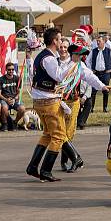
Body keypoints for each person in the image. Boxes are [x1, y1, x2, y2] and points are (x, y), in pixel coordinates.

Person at [26, 28, 89, 182]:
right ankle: (46, 170)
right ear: (54, 41)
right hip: (49, 101)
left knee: (48, 134)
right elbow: (59, 76)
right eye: (60, 39)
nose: (61, 42)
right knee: (59, 136)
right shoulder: (49, 58)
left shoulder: (44, 56)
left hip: (42, 100)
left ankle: (33, 166)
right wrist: (73, 62)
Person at [59, 41, 110, 172]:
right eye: (79, 54)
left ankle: (66, 161)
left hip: (73, 101)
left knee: (68, 133)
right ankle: (71, 159)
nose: (81, 57)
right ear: (73, 54)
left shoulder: (81, 67)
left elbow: (91, 77)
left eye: (82, 55)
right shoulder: (63, 65)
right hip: (59, 101)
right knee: (59, 132)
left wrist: (102, 86)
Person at [87, 35, 111, 114]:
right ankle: (91, 108)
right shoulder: (93, 51)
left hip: (105, 73)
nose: (98, 43)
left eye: (99, 41)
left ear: (104, 42)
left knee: (105, 91)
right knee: (93, 91)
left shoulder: (109, 51)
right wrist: (91, 69)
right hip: (96, 73)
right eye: (97, 41)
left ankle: (105, 108)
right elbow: (88, 60)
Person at [0, 63, 25, 131]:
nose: (11, 71)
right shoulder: (1, 80)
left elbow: (19, 92)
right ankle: (5, 124)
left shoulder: (17, 78)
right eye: (9, 70)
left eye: (12, 69)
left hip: (14, 99)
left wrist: (15, 98)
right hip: (4, 99)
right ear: (6, 70)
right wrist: (6, 100)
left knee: (22, 108)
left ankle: (15, 122)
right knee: (4, 108)